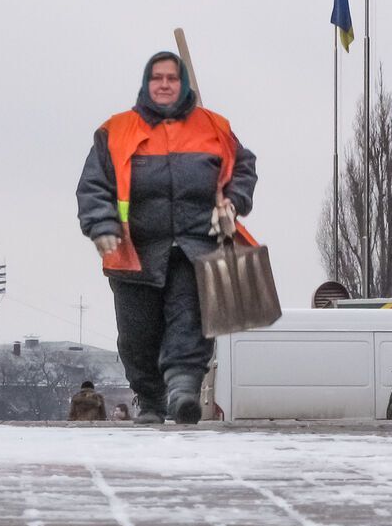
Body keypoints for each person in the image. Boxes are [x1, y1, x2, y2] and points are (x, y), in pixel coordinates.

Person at [77, 51, 257, 425]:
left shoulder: (214, 127)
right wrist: (102, 225)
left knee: (189, 322)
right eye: (157, 77)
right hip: (135, 251)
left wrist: (233, 202)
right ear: (147, 83)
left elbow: (242, 168)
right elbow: (94, 185)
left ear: (183, 83)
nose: (164, 84)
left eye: (171, 78)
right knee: (137, 336)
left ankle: (183, 391)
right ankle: (151, 400)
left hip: (196, 247)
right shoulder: (116, 131)